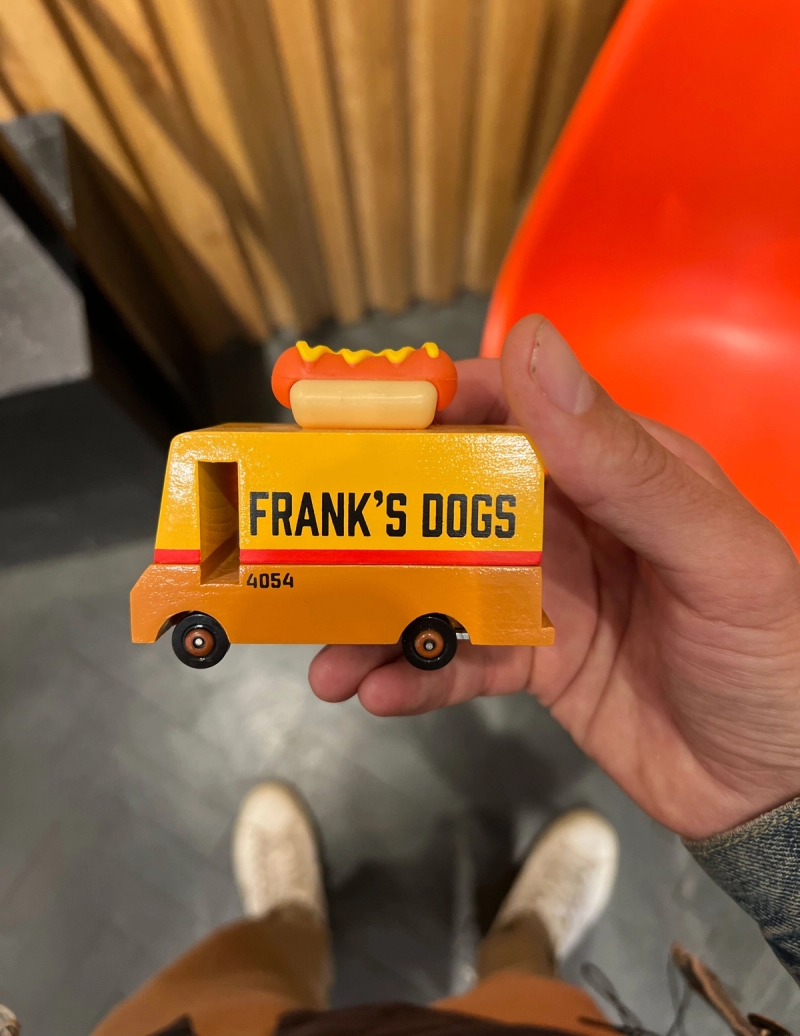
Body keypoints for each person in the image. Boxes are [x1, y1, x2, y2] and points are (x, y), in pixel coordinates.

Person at [91, 316, 800, 1036]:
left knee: (222, 991)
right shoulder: (233, 492)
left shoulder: (231, 500)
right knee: (529, 1000)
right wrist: (783, 806)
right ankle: (504, 942)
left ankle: (305, 928)